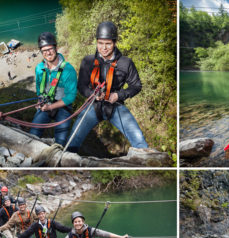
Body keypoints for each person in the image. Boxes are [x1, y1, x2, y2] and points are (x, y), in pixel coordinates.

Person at [68, 21, 147, 153]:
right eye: (100, 43)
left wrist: (118, 95)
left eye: (108, 43)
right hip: (93, 106)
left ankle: (147, 164)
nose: (104, 47)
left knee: (140, 141)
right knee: (72, 141)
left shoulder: (125, 63)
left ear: (114, 43)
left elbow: (136, 85)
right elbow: (81, 85)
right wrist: (91, 94)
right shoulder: (88, 61)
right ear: (97, 42)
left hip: (116, 107)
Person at [30, 32, 77, 146]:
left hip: (63, 106)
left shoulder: (68, 70)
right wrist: (39, 100)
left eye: (50, 49)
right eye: (44, 51)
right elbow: (38, 87)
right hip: (45, 102)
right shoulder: (40, 68)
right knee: (32, 135)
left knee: (60, 142)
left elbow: (71, 96)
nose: (48, 53)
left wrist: (50, 107)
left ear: (56, 48)